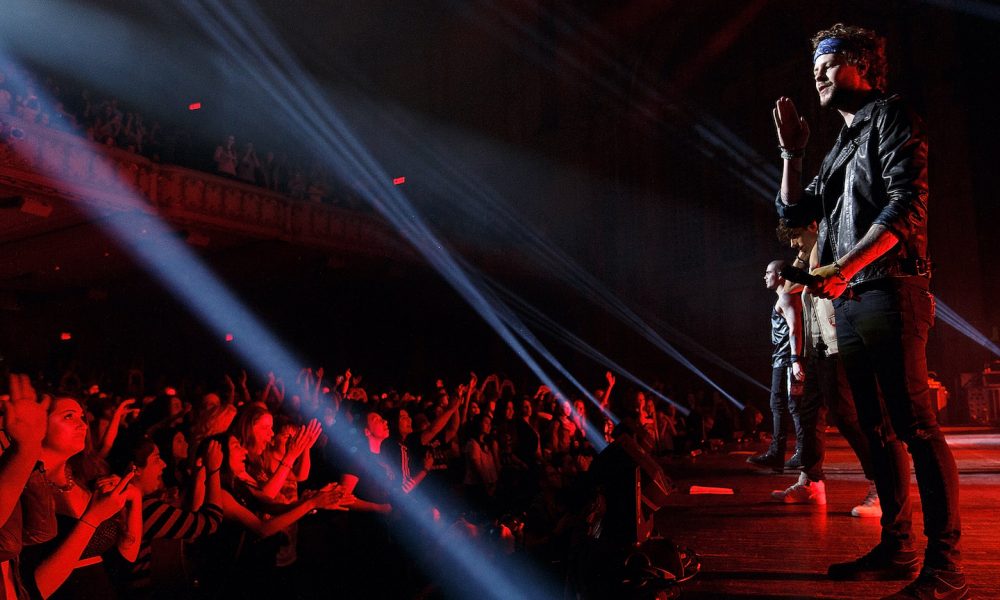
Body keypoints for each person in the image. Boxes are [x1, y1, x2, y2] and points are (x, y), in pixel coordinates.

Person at [773, 23, 965, 598]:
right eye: (814, 68)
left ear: (862, 64)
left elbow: (906, 209)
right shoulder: (837, 146)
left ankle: (946, 567)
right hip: (851, 299)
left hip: (890, 291)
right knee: (874, 429)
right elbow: (791, 215)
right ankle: (898, 548)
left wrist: (843, 269)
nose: (818, 75)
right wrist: (793, 152)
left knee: (916, 426)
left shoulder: (893, 116)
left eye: (828, 63)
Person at [773, 213, 879, 514]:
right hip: (818, 349)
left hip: (839, 346)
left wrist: (810, 253)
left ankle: (881, 484)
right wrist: (803, 255)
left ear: (812, 226)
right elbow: (786, 293)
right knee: (807, 414)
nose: (793, 244)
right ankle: (811, 482)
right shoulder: (808, 258)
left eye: (796, 236)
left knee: (846, 415)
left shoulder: (832, 245)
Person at [746, 260, 806, 479]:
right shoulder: (785, 297)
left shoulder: (787, 297)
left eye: (768, 272)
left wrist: (795, 359)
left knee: (786, 406)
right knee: (787, 406)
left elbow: (795, 328)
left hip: (786, 361)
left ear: (780, 275)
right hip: (783, 360)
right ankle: (787, 453)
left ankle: (786, 453)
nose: (764, 276)